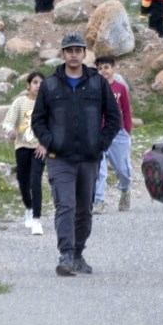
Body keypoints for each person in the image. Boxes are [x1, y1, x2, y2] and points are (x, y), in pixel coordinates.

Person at [31, 32, 121, 277]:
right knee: (65, 205)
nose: (73, 55)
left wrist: (100, 144)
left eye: (77, 50)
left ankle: (78, 253)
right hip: (60, 159)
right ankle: (66, 255)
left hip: (89, 158)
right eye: (69, 50)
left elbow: (114, 118)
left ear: (84, 53)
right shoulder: (50, 85)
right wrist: (51, 142)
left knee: (84, 210)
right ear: (63, 54)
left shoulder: (97, 83)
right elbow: (38, 120)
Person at [2, 71, 47, 236]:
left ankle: (36, 220)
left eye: (41, 83)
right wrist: (10, 131)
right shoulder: (19, 102)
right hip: (21, 146)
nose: (38, 86)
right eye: (35, 82)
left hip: (39, 148)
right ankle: (28, 208)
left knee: (35, 181)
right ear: (28, 85)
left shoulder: (47, 104)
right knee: (23, 180)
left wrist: (44, 144)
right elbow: (8, 122)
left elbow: (52, 126)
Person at [93, 55, 134, 214]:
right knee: (99, 168)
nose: (103, 71)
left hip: (118, 133)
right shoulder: (93, 88)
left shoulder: (120, 88)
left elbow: (126, 110)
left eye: (106, 67)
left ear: (113, 68)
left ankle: (125, 189)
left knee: (122, 169)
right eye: (100, 68)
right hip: (99, 133)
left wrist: (127, 130)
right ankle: (99, 200)